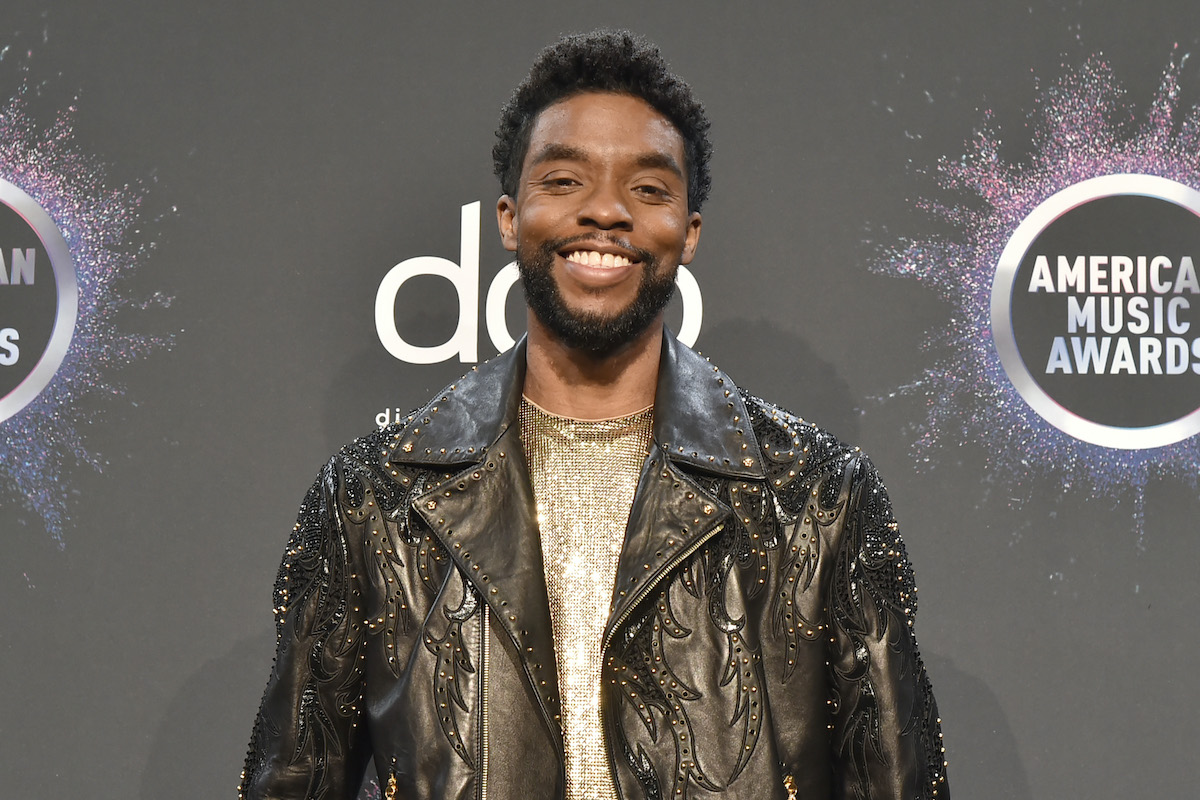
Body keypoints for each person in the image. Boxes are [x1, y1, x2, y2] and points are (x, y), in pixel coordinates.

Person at [240, 29, 949, 800]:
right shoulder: (371, 498)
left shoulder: (818, 497)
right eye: (565, 180)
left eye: (648, 189)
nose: (606, 210)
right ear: (509, 218)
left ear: (688, 232)